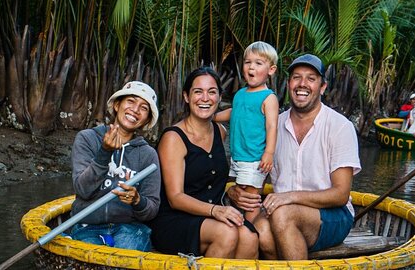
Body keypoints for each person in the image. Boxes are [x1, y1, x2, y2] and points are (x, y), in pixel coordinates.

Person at [227, 53, 361, 260]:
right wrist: (237, 192)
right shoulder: (273, 125)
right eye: (296, 77)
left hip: (333, 215)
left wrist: (289, 197)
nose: (302, 84)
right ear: (289, 84)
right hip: (280, 210)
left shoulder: (339, 126)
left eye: (311, 78)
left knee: (283, 214)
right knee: (257, 232)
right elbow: (255, 169)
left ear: (322, 87)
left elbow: (340, 194)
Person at [149, 67, 258, 259]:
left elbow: (210, 177)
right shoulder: (173, 138)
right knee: (227, 233)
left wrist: (229, 193)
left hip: (213, 216)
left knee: (249, 237)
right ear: (186, 96)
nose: (205, 98)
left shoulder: (220, 132)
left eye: (212, 92)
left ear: (219, 97)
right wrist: (216, 210)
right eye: (198, 91)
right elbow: (175, 197)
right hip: (176, 220)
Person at [69, 81, 161, 251]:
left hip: (129, 229)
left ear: (147, 119)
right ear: (117, 105)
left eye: (144, 108)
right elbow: (83, 190)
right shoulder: (88, 139)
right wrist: (104, 153)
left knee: (125, 258)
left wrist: (137, 200)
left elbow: (152, 209)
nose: (135, 110)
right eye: (131, 101)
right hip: (87, 226)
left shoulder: (148, 155)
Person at [214, 41, 279, 224]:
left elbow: (272, 126)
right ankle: (243, 228)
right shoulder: (240, 94)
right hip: (238, 157)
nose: (251, 67)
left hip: (255, 159)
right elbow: (234, 112)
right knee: (239, 194)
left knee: (250, 200)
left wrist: (269, 153)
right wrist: (213, 116)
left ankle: (253, 231)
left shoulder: (269, 98)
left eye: (258, 63)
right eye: (248, 62)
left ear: (271, 70)